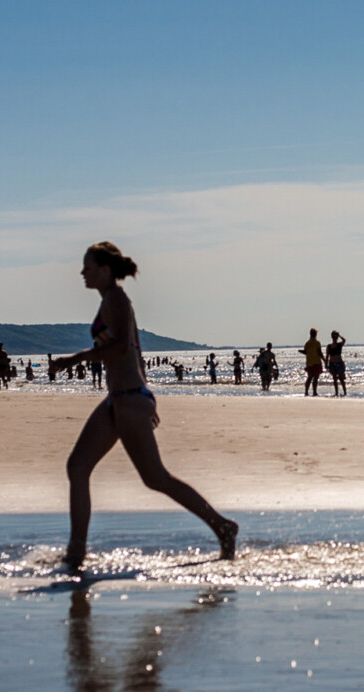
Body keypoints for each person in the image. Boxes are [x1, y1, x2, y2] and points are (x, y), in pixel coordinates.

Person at [49, 241, 236, 570]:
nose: (82, 272)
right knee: (77, 468)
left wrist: (77, 358)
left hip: (129, 401)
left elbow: (121, 347)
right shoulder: (110, 299)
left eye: (87, 267)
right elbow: (135, 347)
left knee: (156, 478)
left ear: (105, 270)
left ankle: (222, 526)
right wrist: (144, 394)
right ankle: (76, 553)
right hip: (120, 400)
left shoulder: (117, 299)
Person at [303, 329, 324, 396]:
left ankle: (306, 391)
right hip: (316, 362)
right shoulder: (317, 342)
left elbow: (306, 352)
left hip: (309, 362)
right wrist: (325, 360)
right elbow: (319, 352)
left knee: (309, 377)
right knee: (315, 378)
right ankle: (314, 392)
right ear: (316, 334)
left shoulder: (307, 343)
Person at [327, 332, 348, 396]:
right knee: (334, 379)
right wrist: (326, 364)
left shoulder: (339, 345)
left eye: (335, 337)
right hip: (332, 364)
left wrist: (339, 335)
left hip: (339, 363)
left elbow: (344, 340)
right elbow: (327, 356)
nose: (335, 338)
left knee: (341, 378)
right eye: (334, 337)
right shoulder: (329, 346)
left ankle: (345, 392)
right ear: (332, 337)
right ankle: (336, 392)